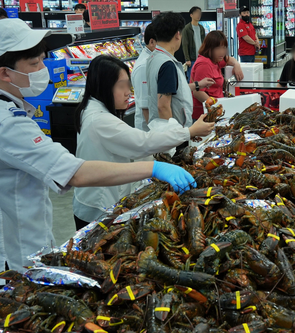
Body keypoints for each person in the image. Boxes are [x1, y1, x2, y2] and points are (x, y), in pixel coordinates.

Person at [0, 19, 196, 272]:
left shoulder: (16, 110)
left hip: (31, 237)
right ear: (5, 72)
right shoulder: (9, 124)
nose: (42, 69)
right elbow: (76, 172)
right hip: (20, 251)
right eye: (35, 63)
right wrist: (154, 169)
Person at [73, 55, 213, 228]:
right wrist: (189, 132)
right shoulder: (100, 120)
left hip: (96, 198)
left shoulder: (92, 108)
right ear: (104, 87)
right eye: (122, 86)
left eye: (129, 86)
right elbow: (143, 143)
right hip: (97, 206)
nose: (128, 93)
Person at [146, 12, 215, 155]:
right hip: (173, 137)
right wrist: (176, 137)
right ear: (178, 34)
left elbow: (173, 89)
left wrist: (197, 85)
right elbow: (163, 105)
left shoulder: (154, 57)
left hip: (167, 132)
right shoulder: (167, 64)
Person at [190, 31, 244, 121]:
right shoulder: (204, 64)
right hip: (204, 115)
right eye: (218, 48)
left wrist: (236, 64)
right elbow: (198, 92)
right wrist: (216, 107)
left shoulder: (215, 60)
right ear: (209, 48)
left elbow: (229, 60)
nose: (222, 52)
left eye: (224, 48)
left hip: (215, 112)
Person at [131, 22, 156, 132]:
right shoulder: (144, 66)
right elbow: (146, 107)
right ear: (152, 42)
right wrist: (157, 136)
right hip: (147, 131)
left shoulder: (153, 60)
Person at [182, 6, 206, 82]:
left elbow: (204, 42)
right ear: (191, 15)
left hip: (201, 57)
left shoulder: (201, 28)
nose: (198, 15)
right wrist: (187, 59)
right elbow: (185, 44)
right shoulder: (187, 28)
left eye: (199, 13)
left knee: (201, 77)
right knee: (191, 79)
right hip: (191, 59)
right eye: (196, 13)